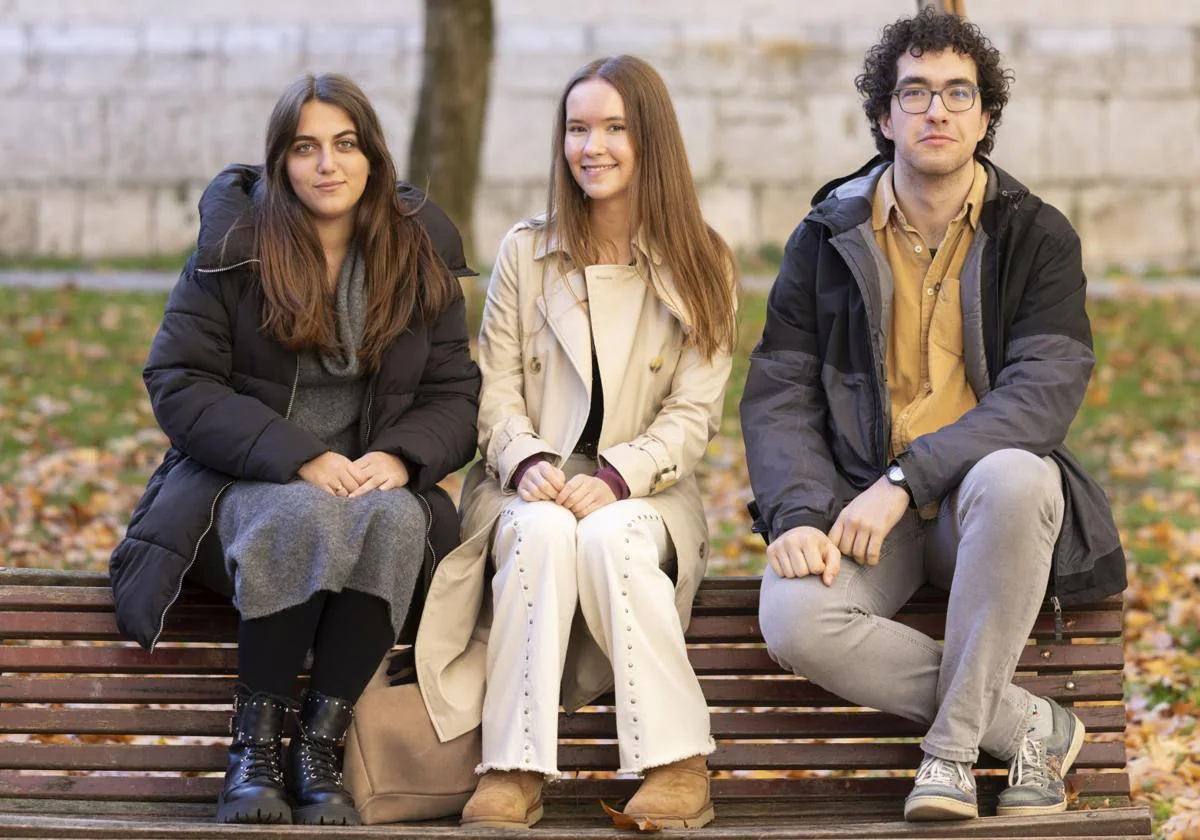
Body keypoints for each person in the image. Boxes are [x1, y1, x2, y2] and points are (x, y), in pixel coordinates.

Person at [741, 10, 1125, 822]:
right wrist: (800, 511)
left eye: (958, 93)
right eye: (914, 93)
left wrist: (907, 478)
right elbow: (780, 392)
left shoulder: (1037, 237)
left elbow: (1043, 393)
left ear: (986, 117)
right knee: (795, 614)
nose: (936, 111)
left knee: (1020, 474)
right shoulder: (826, 237)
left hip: (981, 510)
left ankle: (949, 757)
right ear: (884, 117)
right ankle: (1031, 727)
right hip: (860, 509)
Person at [108, 73, 481, 826]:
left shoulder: (419, 261)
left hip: (368, 494)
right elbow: (177, 381)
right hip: (234, 498)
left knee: (401, 519)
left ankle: (318, 748)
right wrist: (297, 457)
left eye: (345, 145)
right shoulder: (233, 251)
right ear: (280, 163)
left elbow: (456, 397)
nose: (326, 164)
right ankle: (255, 752)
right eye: (305, 148)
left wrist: (403, 460)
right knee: (304, 515)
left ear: (373, 157)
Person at [409, 55, 737, 831]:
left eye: (615, 127)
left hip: (646, 492)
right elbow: (493, 388)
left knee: (611, 537)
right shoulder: (528, 252)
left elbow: (695, 411)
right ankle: (515, 769)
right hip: (529, 482)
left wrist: (620, 475)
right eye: (578, 128)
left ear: (650, 139)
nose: (593, 146)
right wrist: (524, 460)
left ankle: (676, 764)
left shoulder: (702, 260)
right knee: (546, 530)